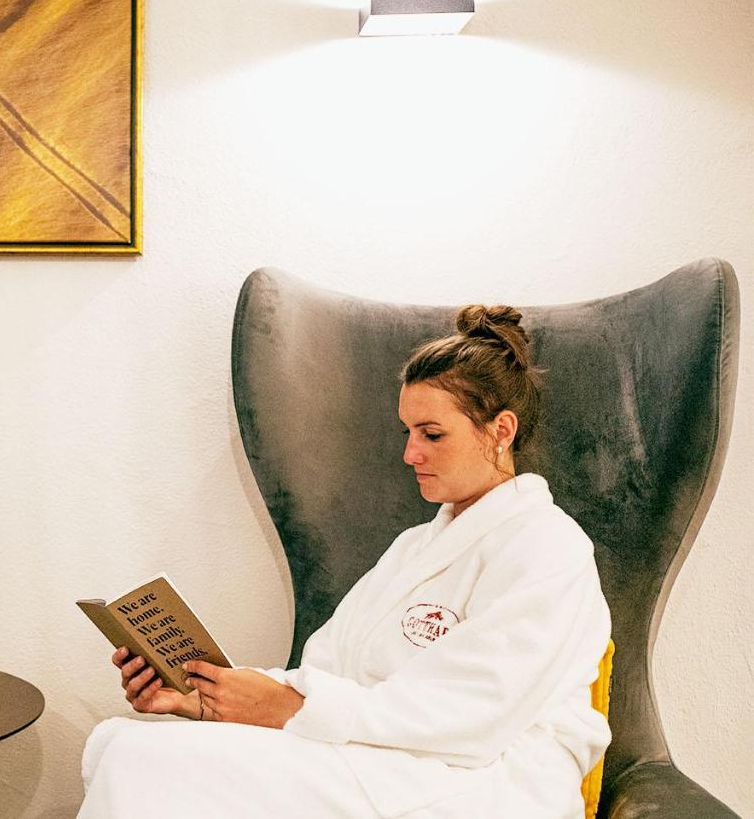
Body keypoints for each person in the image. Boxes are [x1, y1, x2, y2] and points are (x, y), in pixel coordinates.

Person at [78, 305, 612, 818]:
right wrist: (205, 697)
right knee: (121, 741)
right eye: (408, 432)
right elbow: (327, 671)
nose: (410, 454)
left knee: (139, 760)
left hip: (488, 781)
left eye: (432, 434)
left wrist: (286, 707)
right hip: (386, 756)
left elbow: (474, 716)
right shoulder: (413, 548)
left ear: (501, 431)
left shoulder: (548, 547)